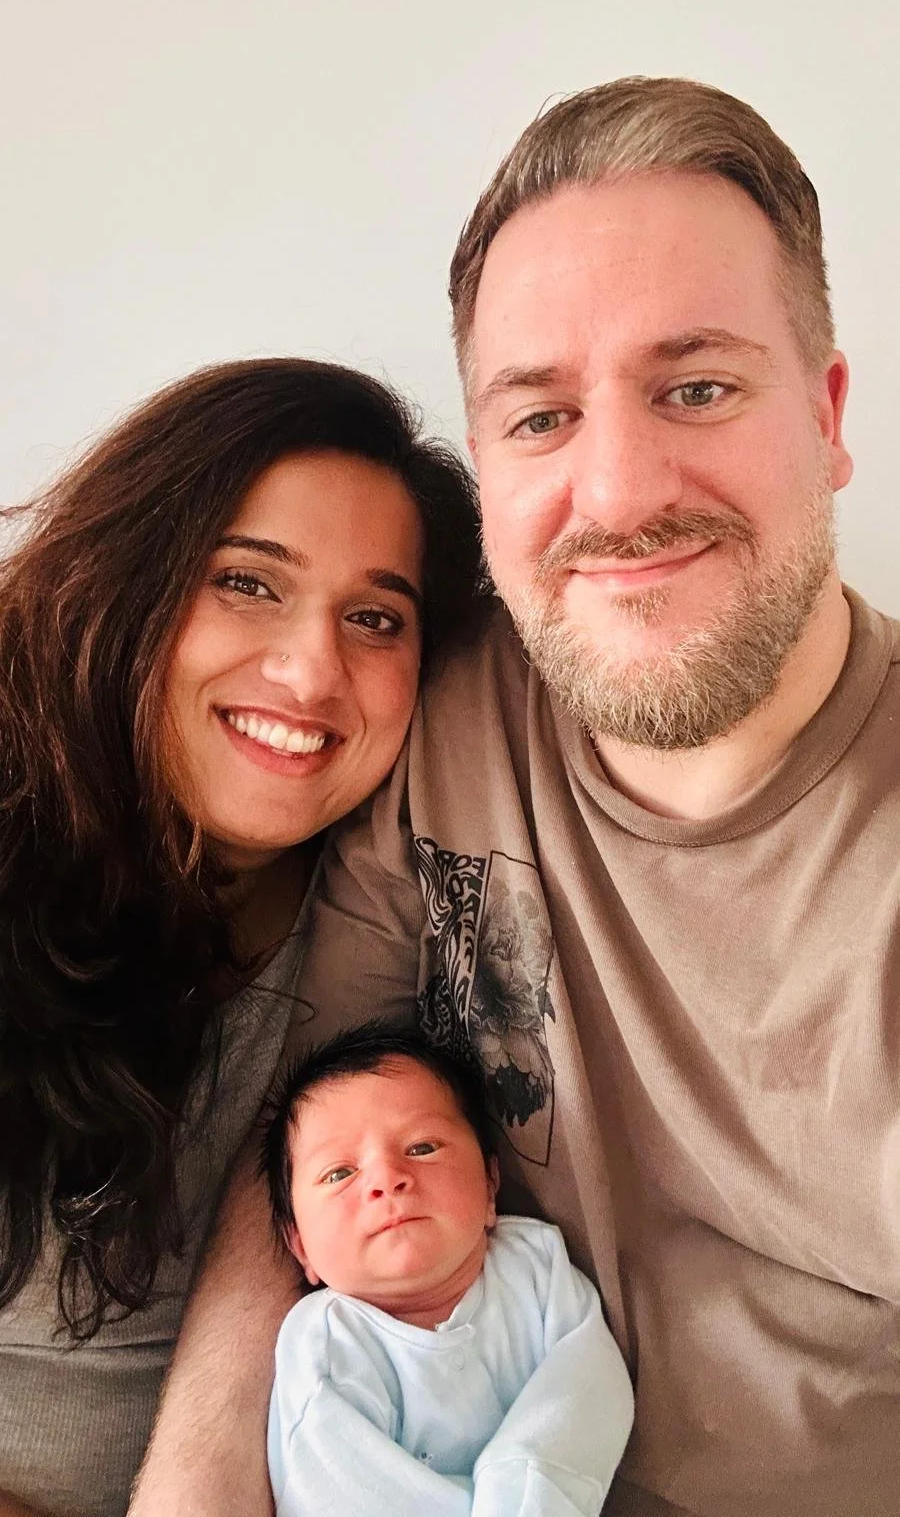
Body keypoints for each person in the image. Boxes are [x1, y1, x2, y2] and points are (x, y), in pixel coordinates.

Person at [132, 79, 899, 1517]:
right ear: (484, 468)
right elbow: (314, 1112)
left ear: (829, 413)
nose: (616, 491)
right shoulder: (448, 712)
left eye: (697, 389)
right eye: (542, 416)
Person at [0, 356, 486, 1517]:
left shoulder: (409, 927)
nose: (313, 670)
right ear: (127, 582)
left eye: (376, 617)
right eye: (248, 584)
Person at [262, 1026, 633, 1516]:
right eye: (339, 1174)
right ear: (299, 1245)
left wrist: (523, 1485)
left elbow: (590, 1386)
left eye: (422, 1148)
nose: (386, 1179)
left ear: (490, 1184)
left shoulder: (536, 1266)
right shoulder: (328, 1344)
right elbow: (339, 1490)